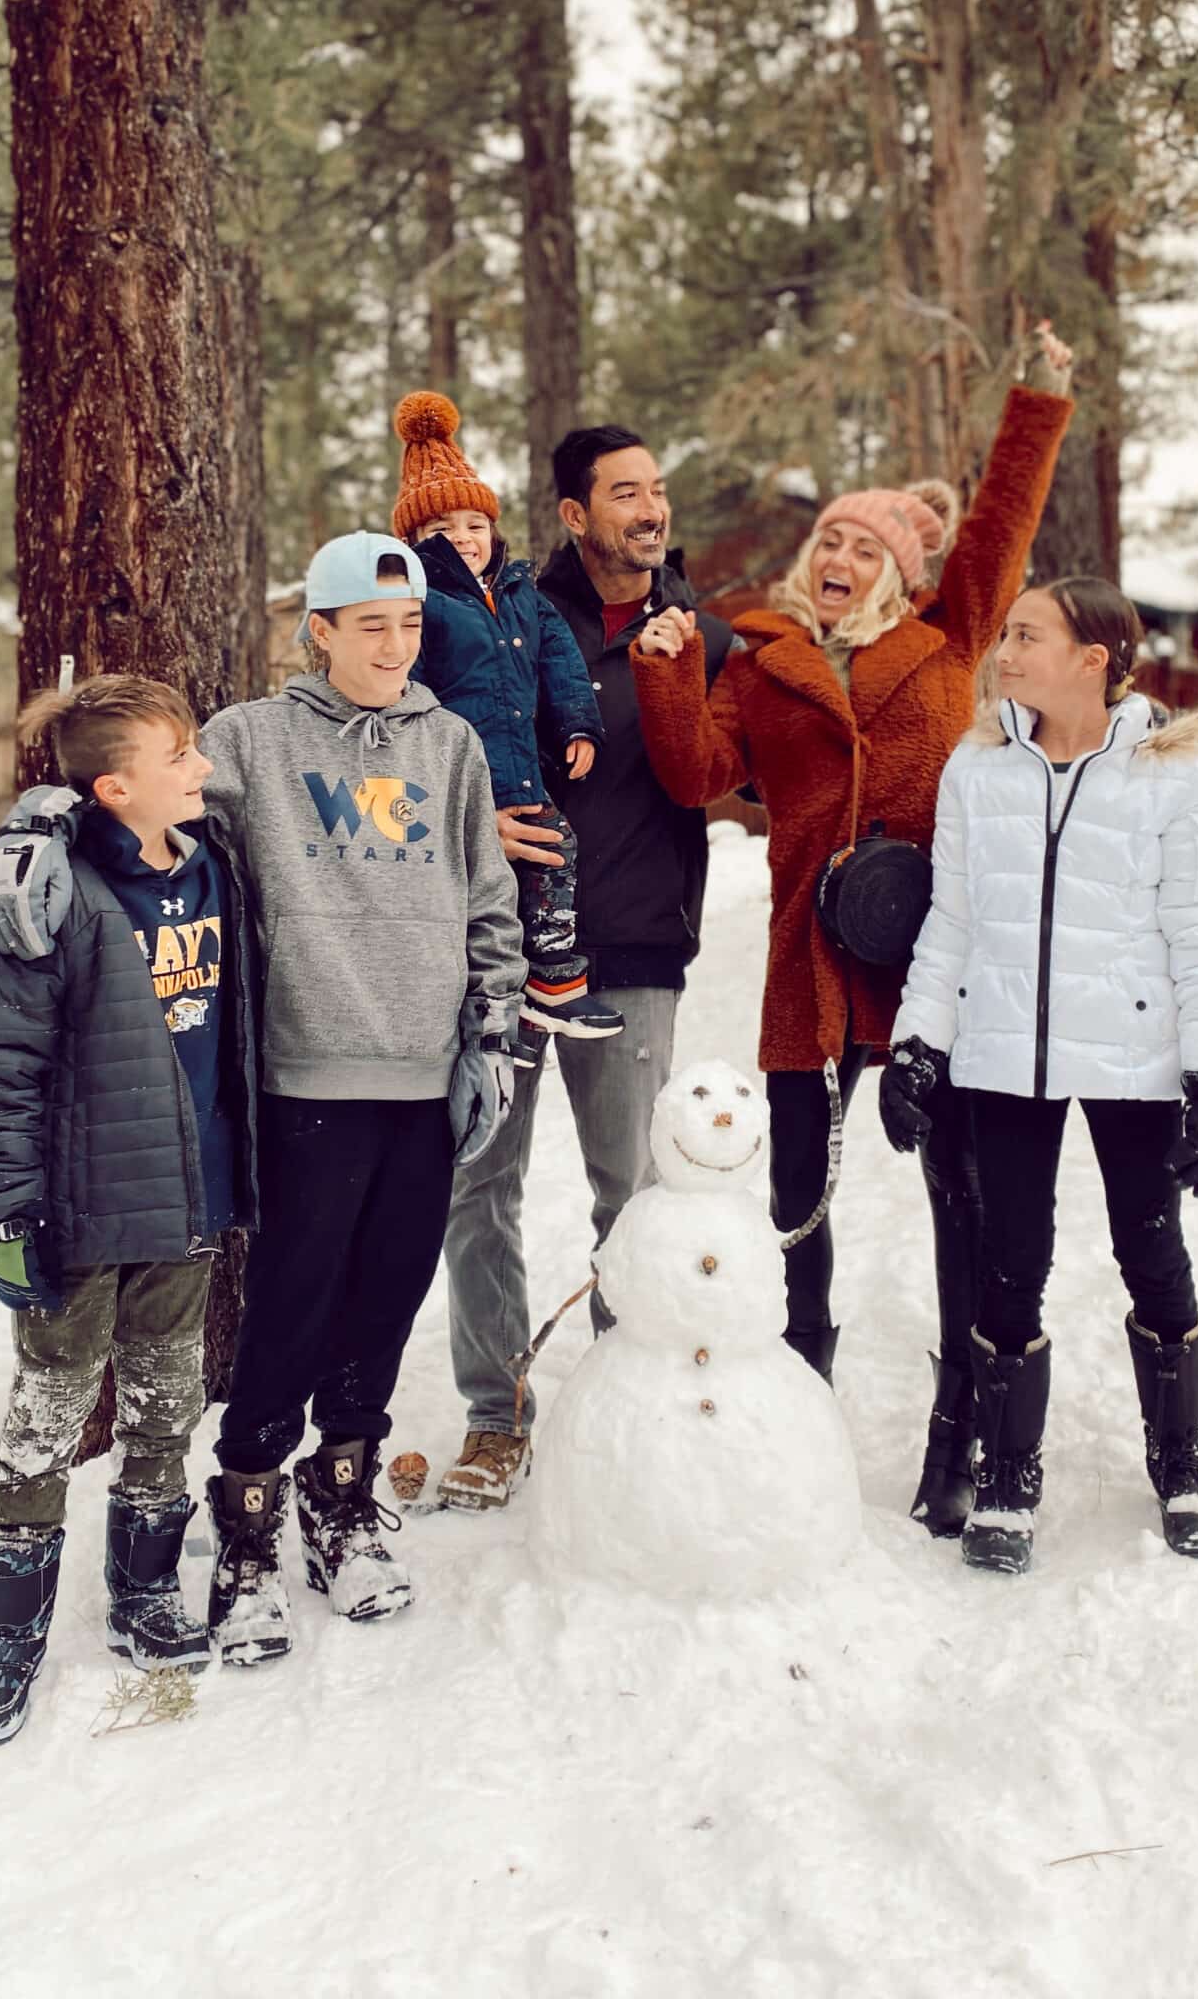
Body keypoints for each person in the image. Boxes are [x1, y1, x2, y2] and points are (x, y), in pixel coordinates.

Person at [630, 331, 1074, 1530]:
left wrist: (1038, 398)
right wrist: (669, 674)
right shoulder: (765, 661)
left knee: (962, 1198)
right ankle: (801, 1408)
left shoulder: (951, 633)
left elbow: (997, 526)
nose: (837, 553)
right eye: (828, 536)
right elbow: (696, 775)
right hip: (809, 954)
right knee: (797, 1202)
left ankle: (962, 1430)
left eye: (862, 543)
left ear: (896, 567)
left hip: (935, 953)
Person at [881, 578, 1198, 1576]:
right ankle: (1008, 1474)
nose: (1004, 650)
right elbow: (954, 923)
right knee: (1010, 1259)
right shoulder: (981, 767)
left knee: (1153, 1251)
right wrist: (918, 1045)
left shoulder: (1176, 778)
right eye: (1005, 632)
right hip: (1006, 1053)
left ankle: (1182, 1459)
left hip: (1135, 1057)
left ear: (1093, 658)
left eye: (1027, 635)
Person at [192, 532, 528, 1645]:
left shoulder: (453, 746)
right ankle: (246, 1526)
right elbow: (151, 817)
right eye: (370, 624)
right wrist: (51, 827)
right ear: (319, 629)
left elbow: (489, 898)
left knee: (386, 1297)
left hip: (425, 1076)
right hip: (308, 1074)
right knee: (291, 1303)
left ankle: (341, 1498)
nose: (395, 645)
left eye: (410, 624)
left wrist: (488, 1035)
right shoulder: (251, 739)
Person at [0, 674, 258, 1747]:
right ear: (118, 785)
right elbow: (0, 1059)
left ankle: (144, 1591)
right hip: (80, 1214)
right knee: (46, 1417)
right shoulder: (52, 896)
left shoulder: (211, 868)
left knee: (167, 1404)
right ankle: (9, 1629)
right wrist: (8, 1210)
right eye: (183, 758)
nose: (204, 770)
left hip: (188, 1202)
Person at [435, 423, 737, 1510]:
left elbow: (735, 767)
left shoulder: (703, 633)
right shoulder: (508, 617)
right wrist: (473, 833)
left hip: (637, 947)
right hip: (500, 952)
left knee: (635, 1194)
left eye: (658, 490)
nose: (650, 510)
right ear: (574, 515)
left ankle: (628, 1397)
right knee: (481, 1188)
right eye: (625, 494)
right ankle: (493, 1411)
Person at [390, 389, 622, 1060]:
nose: (462, 538)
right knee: (483, 900)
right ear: (412, 544)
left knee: (552, 857)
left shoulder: (525, 595)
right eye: (441, 531)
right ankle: (504, 1008)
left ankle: (549, 984)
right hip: (463, 783)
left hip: (525, 771)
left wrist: (579, 726)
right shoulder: (422, 604)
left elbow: (562, 664)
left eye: (473, 523)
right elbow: (411, 691)